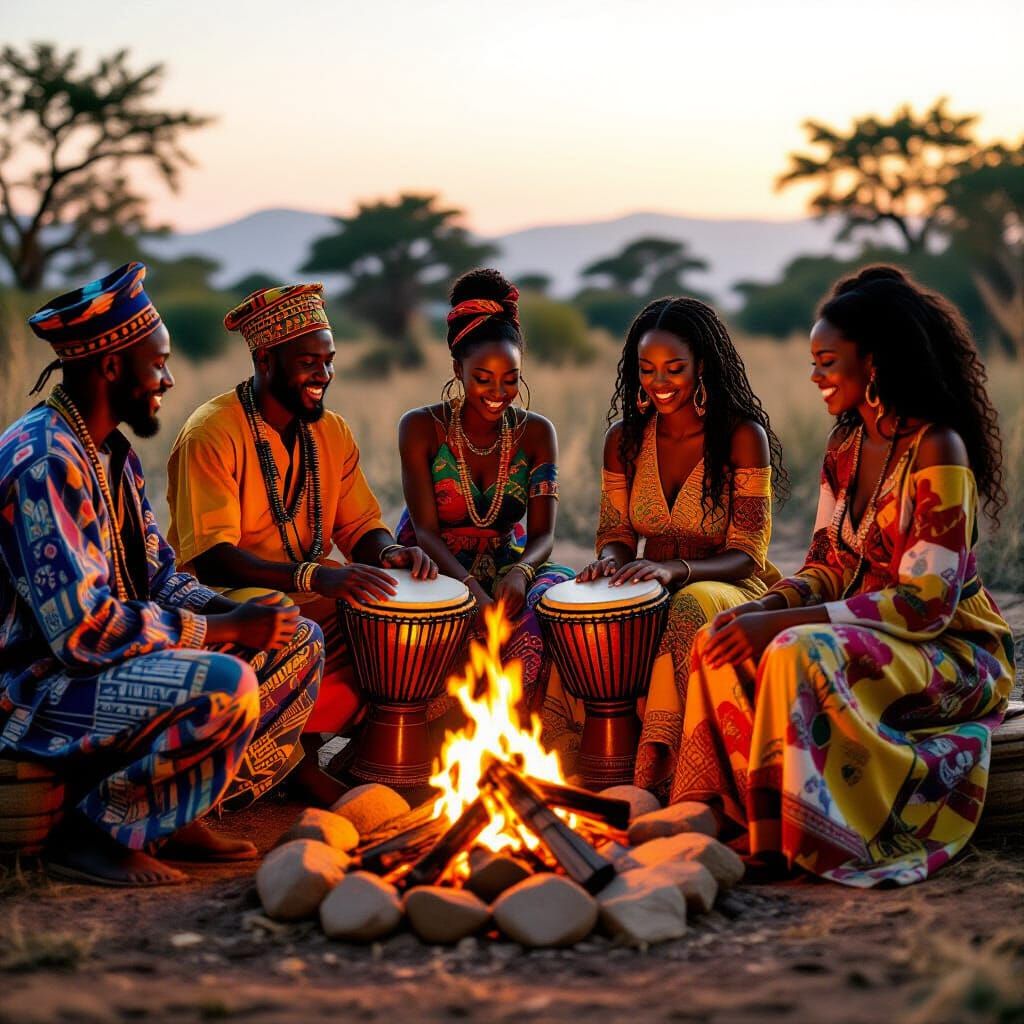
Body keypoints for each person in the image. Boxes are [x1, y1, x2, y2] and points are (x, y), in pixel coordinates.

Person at [681, 265, 1014, 886]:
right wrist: (761, 609)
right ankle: (739, 818)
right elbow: (827, 566)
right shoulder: (844, 450)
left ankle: (804, 839)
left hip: (952, 652)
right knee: (718, 639)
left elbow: (926, 603)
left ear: (875, 363)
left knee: (794, 648)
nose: (815, 376)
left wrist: (785, 623)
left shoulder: (938, 448)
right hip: (867, 635)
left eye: (827, 362)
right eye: (813, 363)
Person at [0, 263, 323, 886]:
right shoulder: (45, 463)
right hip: (32, 689)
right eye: (158, 365)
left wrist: (243, 616)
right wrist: (223, 630)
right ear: (111, 367)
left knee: (297, 641)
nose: (169, 380)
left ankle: (174, 812)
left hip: (94, 671)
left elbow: (159, 576)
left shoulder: (109, 454)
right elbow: (84, 633)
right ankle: (94, 833)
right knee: (225, 682)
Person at [166, 283, 435, 793]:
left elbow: (359, 527)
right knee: (286, 616)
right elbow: (214, 558)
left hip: (311, 590)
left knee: (392, 620)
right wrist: (316, 577)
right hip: (229, 600)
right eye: (309, 363)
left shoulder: (331, 432)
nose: (324, 375)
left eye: (329, 361)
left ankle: (363, 752)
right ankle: (293, 764)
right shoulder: (212, 433)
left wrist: (391, 552)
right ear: (265, 359)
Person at [578, 297, 786, 801]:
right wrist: (607, 565)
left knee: (688, 604)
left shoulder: (742, 436)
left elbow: (749, 553)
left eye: (674, 368)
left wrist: (676, 569)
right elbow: (617, 535)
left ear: (702, 366)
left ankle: (678, 775)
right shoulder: (623, 441)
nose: (660, 382)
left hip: (729, 586)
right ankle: (596, 763)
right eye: (647, 369)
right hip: (655, 580)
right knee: (583, 607)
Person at [396, 269, 577, 755]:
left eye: (511, 379)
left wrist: (519, 572)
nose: (498, 392)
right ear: (457, 370)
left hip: (506, 560)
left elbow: (543, 535)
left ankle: (520, 740)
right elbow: (425, 531)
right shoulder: (420, 428)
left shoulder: (537, 433)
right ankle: (437, 743)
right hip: (433, 563)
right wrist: (473, 592)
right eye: (482, 379)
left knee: (551, 602)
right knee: (439, 617)